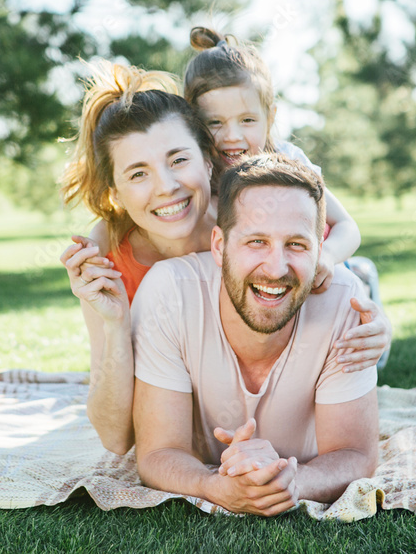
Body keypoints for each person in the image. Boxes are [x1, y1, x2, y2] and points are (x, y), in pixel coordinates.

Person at [59, 62, 390, 454]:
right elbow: (117, 439)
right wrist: (116, 326)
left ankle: (363, 275)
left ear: (208, 159)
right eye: (138, 174)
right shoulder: (106, 265)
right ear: (115, 192)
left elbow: (321, 294)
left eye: (178, 160)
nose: (166, 187)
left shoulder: (247, 220)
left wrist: (372, 323)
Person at [132, 153, 378, 516]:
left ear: (320, 250)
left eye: (296, 244)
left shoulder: (346, 300)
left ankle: (369, 277)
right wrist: (212, 486)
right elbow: (158, 452)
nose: (276, 269)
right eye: (257, 242)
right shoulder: (169, 292)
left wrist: (292, 483)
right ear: (219, 246)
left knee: (373, 328)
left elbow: (356, 453)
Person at [184, 26, 361, 293]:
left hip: (319, 275)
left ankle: (361, 273)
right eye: (215, 123)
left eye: (247, 120)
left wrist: (329, 255)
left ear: (270, 117)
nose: (232, 136)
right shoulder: (197, 174)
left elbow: (347, 226)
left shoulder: (289, 161)